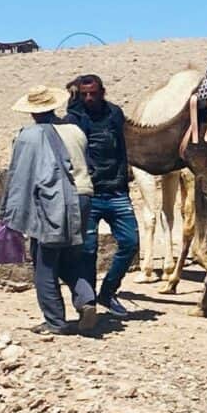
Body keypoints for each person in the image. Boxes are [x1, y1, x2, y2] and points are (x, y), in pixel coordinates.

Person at [1, 85, 97, 335]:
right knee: (71, 256)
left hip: (53, 203)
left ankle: (55, 321)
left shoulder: (28, 136)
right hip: (83, 198)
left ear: (32, 112)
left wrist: (11, 213)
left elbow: (20, 176)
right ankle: (86, 300)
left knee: (45, 263)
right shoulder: (75, 130)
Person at [65, 74, 137, 317]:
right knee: (88, 249)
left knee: (130, 243)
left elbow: (122, 148)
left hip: (116, 191)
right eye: (84, 94)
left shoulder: (114, 113)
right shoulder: (74, 119)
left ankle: (108, 293)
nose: (88, 98)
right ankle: (88, 302)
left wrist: (124, 178)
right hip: (89, 194)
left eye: (93, 93)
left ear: (102, 92)